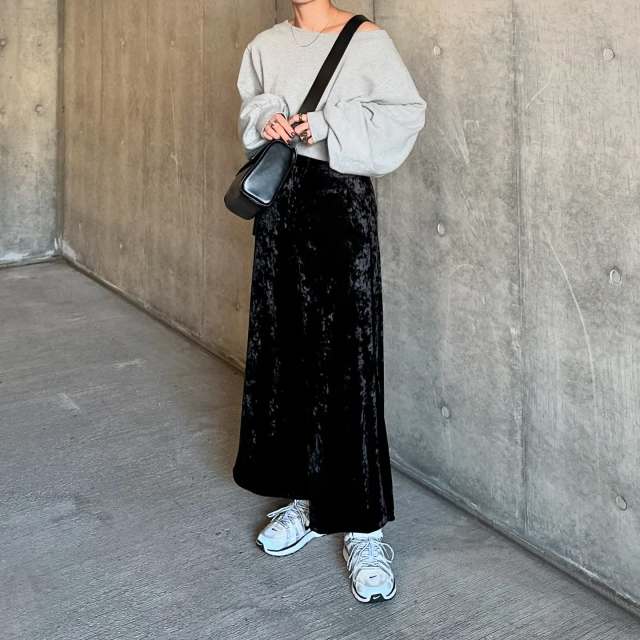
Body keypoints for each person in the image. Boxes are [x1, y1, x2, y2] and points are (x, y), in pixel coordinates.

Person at [232, 0, 427, 603]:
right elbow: (251, 104)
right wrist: (267, 118)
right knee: (286, 354)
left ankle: (363, 526)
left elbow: (404, 115)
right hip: (281, 207)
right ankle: (304, 496)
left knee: (347, 362)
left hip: (341, 207)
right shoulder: (265, 45)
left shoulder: (367, 40)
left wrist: (325, 124)